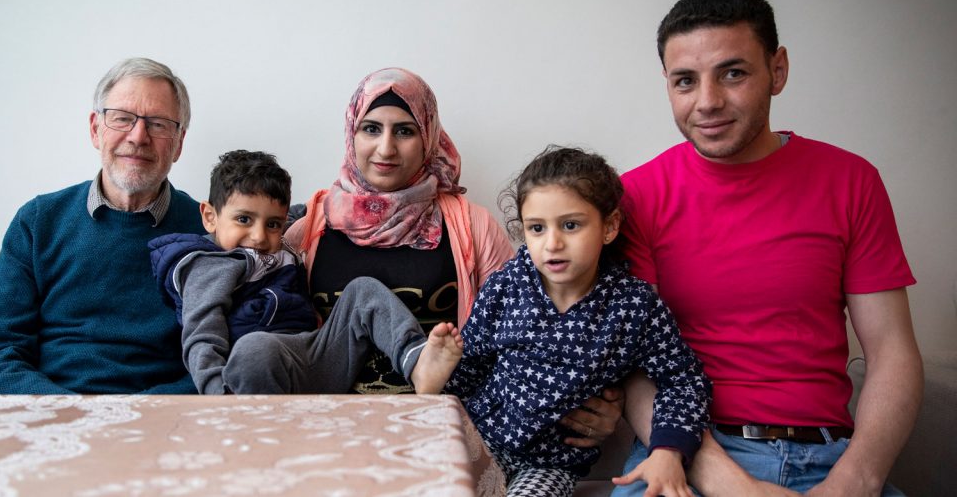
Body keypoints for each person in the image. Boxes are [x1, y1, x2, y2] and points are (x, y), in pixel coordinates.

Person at [612, 0, 922, 496]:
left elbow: (891, 350)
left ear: (777, 70)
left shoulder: (851, 181)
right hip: (686, 459)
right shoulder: (636, 197)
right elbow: (634, 367)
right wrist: (736, 486)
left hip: (831, 456)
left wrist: (855, 481)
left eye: (733, 73)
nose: (708, 102)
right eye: (685, 81)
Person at [235, 68, 623, 446]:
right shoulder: (311, 223)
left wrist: (599, 400)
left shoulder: (471, 225)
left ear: (428, 138)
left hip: (437, 425)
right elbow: (254, 303)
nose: (386, 147)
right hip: (328, 425)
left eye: (404, 131)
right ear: (352, 135)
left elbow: (527, 324)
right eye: (371, 128)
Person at [437, 146, 711, 497]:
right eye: (536, 228)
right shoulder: (507, 285)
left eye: (570, 225)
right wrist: (434, 388)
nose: (552, 243)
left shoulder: (633, 306)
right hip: (482, 437)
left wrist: (668, 450)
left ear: (609, 226)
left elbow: (684, 381)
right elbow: (468, 367)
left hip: (550, 464)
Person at [0, 57, 204, 394]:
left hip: (164, 425)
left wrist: (140, 418)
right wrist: (72, 416)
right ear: (96, 129)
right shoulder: (37, 222)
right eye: (122, 118)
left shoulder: (210, 232)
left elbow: (222, 362)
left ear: (179, 142)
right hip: (51, 420)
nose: (138, 136)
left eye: (158, 124)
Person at [149, 150, 461, 395]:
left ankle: (417, 362)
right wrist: (219, 396)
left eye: (273, 224)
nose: (258, 236)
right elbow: (201, 334)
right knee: (255, 349)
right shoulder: (209, 266)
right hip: (252, 373)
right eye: (244, 220)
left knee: (363, 290)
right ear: (209, 216)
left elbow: (310, 211)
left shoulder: (279, 244)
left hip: (312, 357)